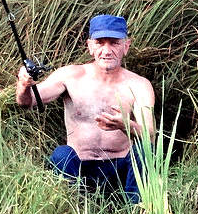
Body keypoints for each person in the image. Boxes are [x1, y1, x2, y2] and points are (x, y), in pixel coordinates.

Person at [15, 14, 154, 203]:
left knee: (143, 151)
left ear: (126, 46)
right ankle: (72, 211)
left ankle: (137, 212)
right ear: (90, 46)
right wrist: (23, 85)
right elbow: (28, 101)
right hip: (80, 168)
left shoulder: (139, 84)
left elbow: (150, 135)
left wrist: (125, 125)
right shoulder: (70, 75)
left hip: (120, 172)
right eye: (99, 42)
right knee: (61, 154)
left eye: (114, 43)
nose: (106, 50)